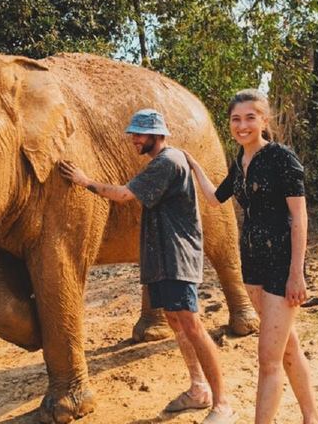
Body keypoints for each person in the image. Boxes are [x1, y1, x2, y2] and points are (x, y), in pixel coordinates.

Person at [59, 109, 239, 424]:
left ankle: (222, 404)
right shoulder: (167, 161)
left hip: (177, 256)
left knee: (193, 326)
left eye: (138, 134)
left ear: (156, 135)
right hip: (163, 257)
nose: (133, 140)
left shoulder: (166, 163)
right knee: (174, 320)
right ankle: (198, 390)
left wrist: (83, 181)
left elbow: (125, 194)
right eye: (133, 133)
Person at [183, 89, 318, 424]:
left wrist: (296, 273)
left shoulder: (282, 158)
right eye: (236, 119)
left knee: (268, 359)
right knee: (287, 347)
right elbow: (216, 198)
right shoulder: (240, 162)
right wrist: (194, 164)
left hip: (281, 264)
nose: (242, 125)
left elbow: (300, 217)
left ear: (264, 120)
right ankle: (312, 418)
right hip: (253, 263)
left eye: (250, 117)